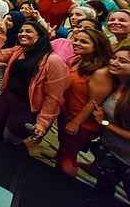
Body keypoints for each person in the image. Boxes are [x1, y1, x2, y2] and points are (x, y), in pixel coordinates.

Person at [0, 20, 71, 147]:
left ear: (40, 36)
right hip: (7, 97)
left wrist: (43, 122)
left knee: (11, 139)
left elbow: (54, 97)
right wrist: (1, 34)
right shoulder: (19, 50)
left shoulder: (53, 61)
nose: (22, 34)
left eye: (28, 31)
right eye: (21, 31)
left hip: (27, 106)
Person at [56, 29, 113, 177]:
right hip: (67, 114)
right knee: (63, 151)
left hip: (82, 123)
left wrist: (76, 122)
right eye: (76, 40)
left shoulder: (101, 71)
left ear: (97, 46)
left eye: (83, 42)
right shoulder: (78, 59)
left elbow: (94, 102)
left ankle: (64, 188)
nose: (77, 44)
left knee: (68, 158)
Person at [92, 45, 130, 202]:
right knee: (103, 192)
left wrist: (105, 123)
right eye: (114, 58)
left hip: (127, 160)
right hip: (109, 150)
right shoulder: (113, 83)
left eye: (123, 61)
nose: (114, 62)